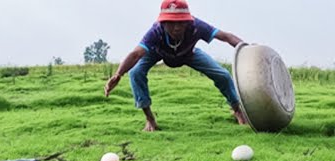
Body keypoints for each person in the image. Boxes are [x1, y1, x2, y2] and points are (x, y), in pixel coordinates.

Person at [104, 0, 248, 132]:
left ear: (188, 22)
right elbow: (136, 54)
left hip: (188, 53)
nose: (177, 28)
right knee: (135, 73)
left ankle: (237, 110)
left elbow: (226, 37)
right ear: (163, 23)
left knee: (222, 75)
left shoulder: (197, 26)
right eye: (171, 23)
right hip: (157, 53)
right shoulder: (156, 32)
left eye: (181, 23)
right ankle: (150, 119)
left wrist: (248, 51)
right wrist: (118, 74)